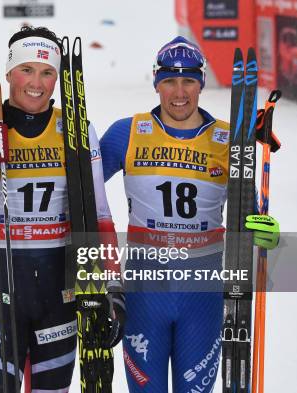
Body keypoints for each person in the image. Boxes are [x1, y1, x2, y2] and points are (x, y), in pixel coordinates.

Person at [0, 26, 125, 393]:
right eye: (26, 70)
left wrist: (113, 286)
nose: (36, 83)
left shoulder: (76, 130)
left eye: (47, 72)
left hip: (60, 302)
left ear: (57, 77)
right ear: (8, 72)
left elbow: (100, 216)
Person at [99, 36, 280, 393]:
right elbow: (80, 192)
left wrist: (267, 230)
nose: (178, 92)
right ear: (156, 84)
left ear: (201, 83)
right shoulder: (127, 133)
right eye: (168, 80)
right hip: (144, 294)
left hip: (204, 295)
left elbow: (251, 216)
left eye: (188, 81)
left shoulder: (228, 140)